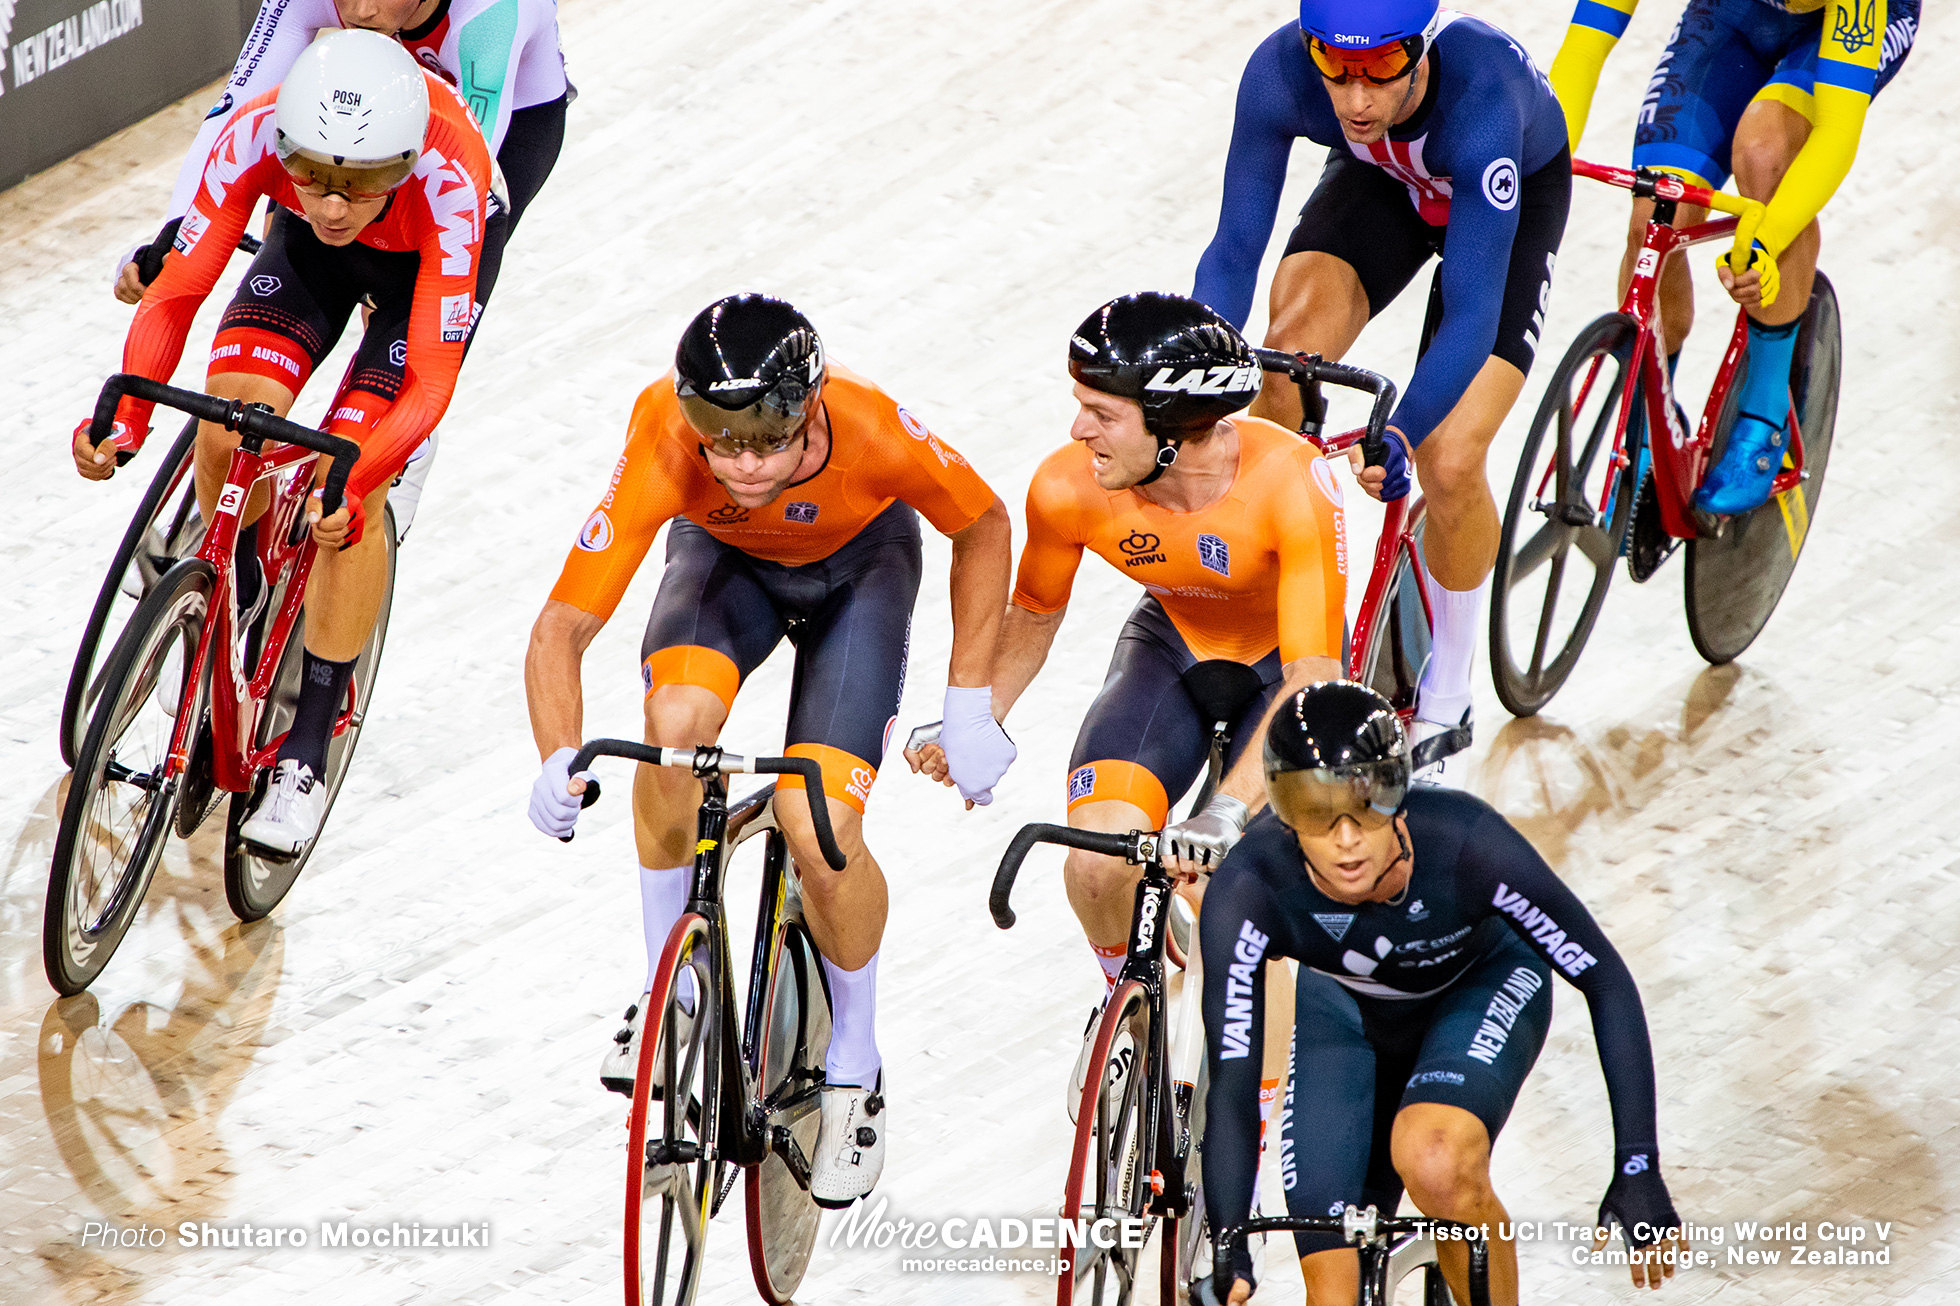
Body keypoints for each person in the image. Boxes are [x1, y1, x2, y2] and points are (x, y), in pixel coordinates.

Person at [524, 293, 1015, 1208]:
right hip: (727, 568)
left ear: (811, 410)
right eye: (724, 447)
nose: (744, 467)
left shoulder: (871, 425)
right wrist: (556, 753)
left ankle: (855, 1066)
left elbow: (983, 525)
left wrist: (968, 702)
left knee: (817, 821)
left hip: (859, 577)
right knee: (670, 734)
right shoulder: (665, 433)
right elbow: (560, 626)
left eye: (767, 445)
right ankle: (665, 990)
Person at [914, 291, 1345, 1140]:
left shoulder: (1290, 484)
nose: (1078, 430)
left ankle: (1245, 1146)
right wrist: (981, 715)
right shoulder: (1067, 486)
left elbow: (1311, 680)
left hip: (1281, 675)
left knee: (1252, 911)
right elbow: (1034, 612)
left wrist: (1224, 815)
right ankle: (1131, 1004)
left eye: (1101, 412)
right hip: (1169, 648)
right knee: (1095, 866)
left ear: (1175, 429)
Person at [70, 29, 494, 856]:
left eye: (360, 182)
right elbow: (175, 293)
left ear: (402, 164)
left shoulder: (452, 179)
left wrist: (360, 471)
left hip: (420, 281)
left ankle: (304, 751)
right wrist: (125, 423)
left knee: (355, 489)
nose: (333, 203)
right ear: (287, 144)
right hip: (306, 262)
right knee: (230, 411)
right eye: (312, 176)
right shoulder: (260, 134)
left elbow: (432, 386)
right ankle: (247, 575)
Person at [1197, 681, 1682, 1305]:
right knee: (1330, 1290)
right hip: (1342, 1015)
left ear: (1400, 795)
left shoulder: (1467, 843)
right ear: (1284, 816)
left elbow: (1604, 977)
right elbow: (1233, 1082)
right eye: (1317, 811)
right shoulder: (1247, 890)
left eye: (1365, 805)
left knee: (1433, 1159)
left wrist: (1636, 1161)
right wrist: (1229, 1242)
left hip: (1477, 986)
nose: (1345, 838)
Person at [1191, 0, 1571, 781]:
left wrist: (1399, 435)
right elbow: (1233, 249)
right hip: (1383, 184)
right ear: (1310, 50)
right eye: (1337, 69)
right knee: (1283, 365)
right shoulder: (1278, 74)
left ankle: (1448, 692)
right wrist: (1193, 378)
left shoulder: (1483, 98)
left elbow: (1468, 320)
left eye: (1382, 71)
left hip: (1505, 201)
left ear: (1423, 49)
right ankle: (1277, 625)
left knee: (1451, 457)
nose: (1357, 99)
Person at [113, 0, 572, 536]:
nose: (360, 10)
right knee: (310, 172)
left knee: (406, 279)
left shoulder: (492, 15)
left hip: (498, 131)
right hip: (347, 126)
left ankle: (399, 439)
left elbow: (460, 175)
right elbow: (241, 102)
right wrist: (178, 232)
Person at [1547, 0, 1916, 514]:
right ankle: (1651, 398)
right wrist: (1538, 161)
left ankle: (1766, 414)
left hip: (1842, 30)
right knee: (1655, 216)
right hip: (1734, 13)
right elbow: (1584, 47)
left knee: (1766, 159)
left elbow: (1836, 134)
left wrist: (1767, 239)